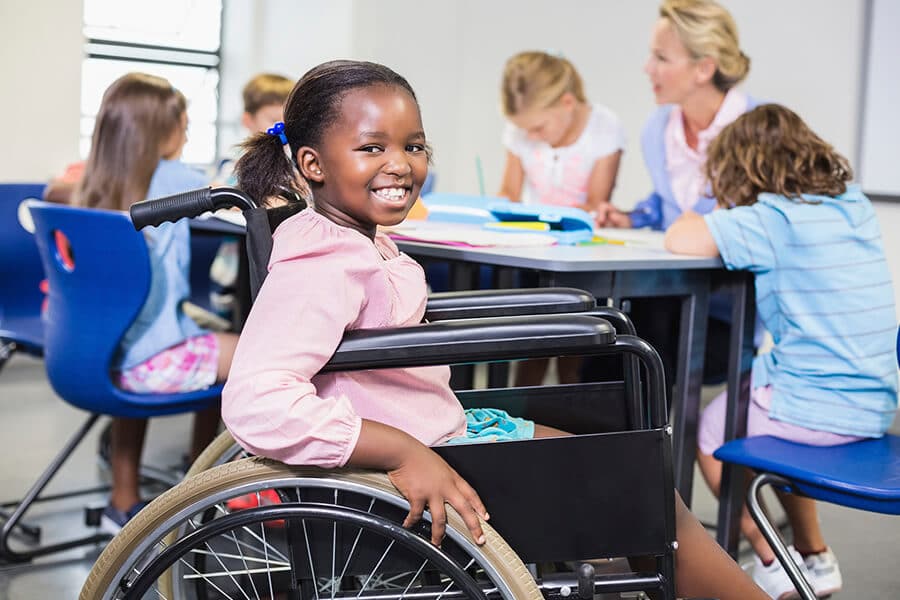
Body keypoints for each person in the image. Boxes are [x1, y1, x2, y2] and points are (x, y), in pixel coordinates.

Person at [221, 59, 767, 599]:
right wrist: (402, 453)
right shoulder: (322, 264)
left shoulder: (357, 239)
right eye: (372, 147)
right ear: (313, 164)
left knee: (638, 479)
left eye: (413, 146)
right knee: (642, 492)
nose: (401, 164)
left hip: (442, 428)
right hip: (418, 453)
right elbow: (256, 401)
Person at [665, 103, 898, 599]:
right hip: (875, 405)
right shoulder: (852, 204)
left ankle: (772, 562)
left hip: (815, 408)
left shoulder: (769, 220)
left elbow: (681, 239)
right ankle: (814, 556)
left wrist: (698, 208)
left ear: (741, 170)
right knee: (754, 398)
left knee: (713, 428)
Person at [73, 72, 239, 532]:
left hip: (101, 356)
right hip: (150, 362)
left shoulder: (92, 187)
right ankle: (197, 489)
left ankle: (121, 500)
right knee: (251, 351)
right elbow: (236, 193)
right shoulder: (177, 178)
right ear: (160, 130)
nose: (187, 133)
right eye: (183, 123)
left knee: (206, 341)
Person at [590, 0, 758, 394]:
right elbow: (670, 204)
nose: (648, 68)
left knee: (639, 355)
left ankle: (648, 453)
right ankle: (613, 452)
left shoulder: (756, 132)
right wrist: (633, 217)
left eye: (661, 57)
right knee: (603, 346)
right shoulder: (659, 126)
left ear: (704, 67)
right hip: (664, 296)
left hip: (723, 313)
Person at [498, 50, 625, 386]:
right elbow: (509, 193)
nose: (533, 136)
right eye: (525, 130)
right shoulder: (521, 131)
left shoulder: (603, 127)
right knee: (530, 345)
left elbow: (597, 203)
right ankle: (522, 418)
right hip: (531, 251)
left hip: (580, 254)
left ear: (567, 103)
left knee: (575, 347)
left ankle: (569, 418)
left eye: (538, 128)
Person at [208, 73, 296, 319]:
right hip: (236, 277)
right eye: (273, 120)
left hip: (281, 270)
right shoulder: (236, 163)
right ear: (248, 120)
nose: (283, 129)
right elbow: (223, 196)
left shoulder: (297, 164)